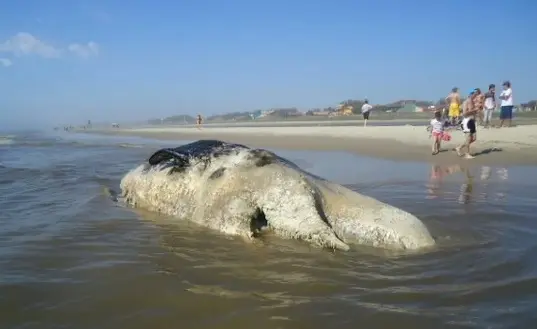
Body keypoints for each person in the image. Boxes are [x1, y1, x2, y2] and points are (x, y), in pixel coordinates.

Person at [455, 89, 478, 159]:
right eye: (474, 94)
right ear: (470, 94)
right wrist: (474, 110)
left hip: (472, 121)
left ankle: (459, 147)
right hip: (467, 121)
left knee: (474, 138)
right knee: (468, 138)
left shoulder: (472, 102)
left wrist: (476, 112)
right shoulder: (466, 102)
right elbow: (464, 113)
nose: (475, 96)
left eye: (476, 95)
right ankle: (467, 154)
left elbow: (473, 112)